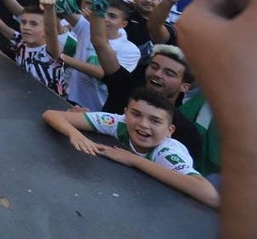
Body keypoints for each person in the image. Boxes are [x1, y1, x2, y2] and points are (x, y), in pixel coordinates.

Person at [41, 87, 218, 208]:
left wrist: (133, 159)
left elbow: (209, 194)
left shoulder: (166, 152)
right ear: (125, 113)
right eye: (136, 114)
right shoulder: (118, 123)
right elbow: (51, 114)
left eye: (155, 121)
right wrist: (75, 134)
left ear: (169, 131)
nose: (143, 125)